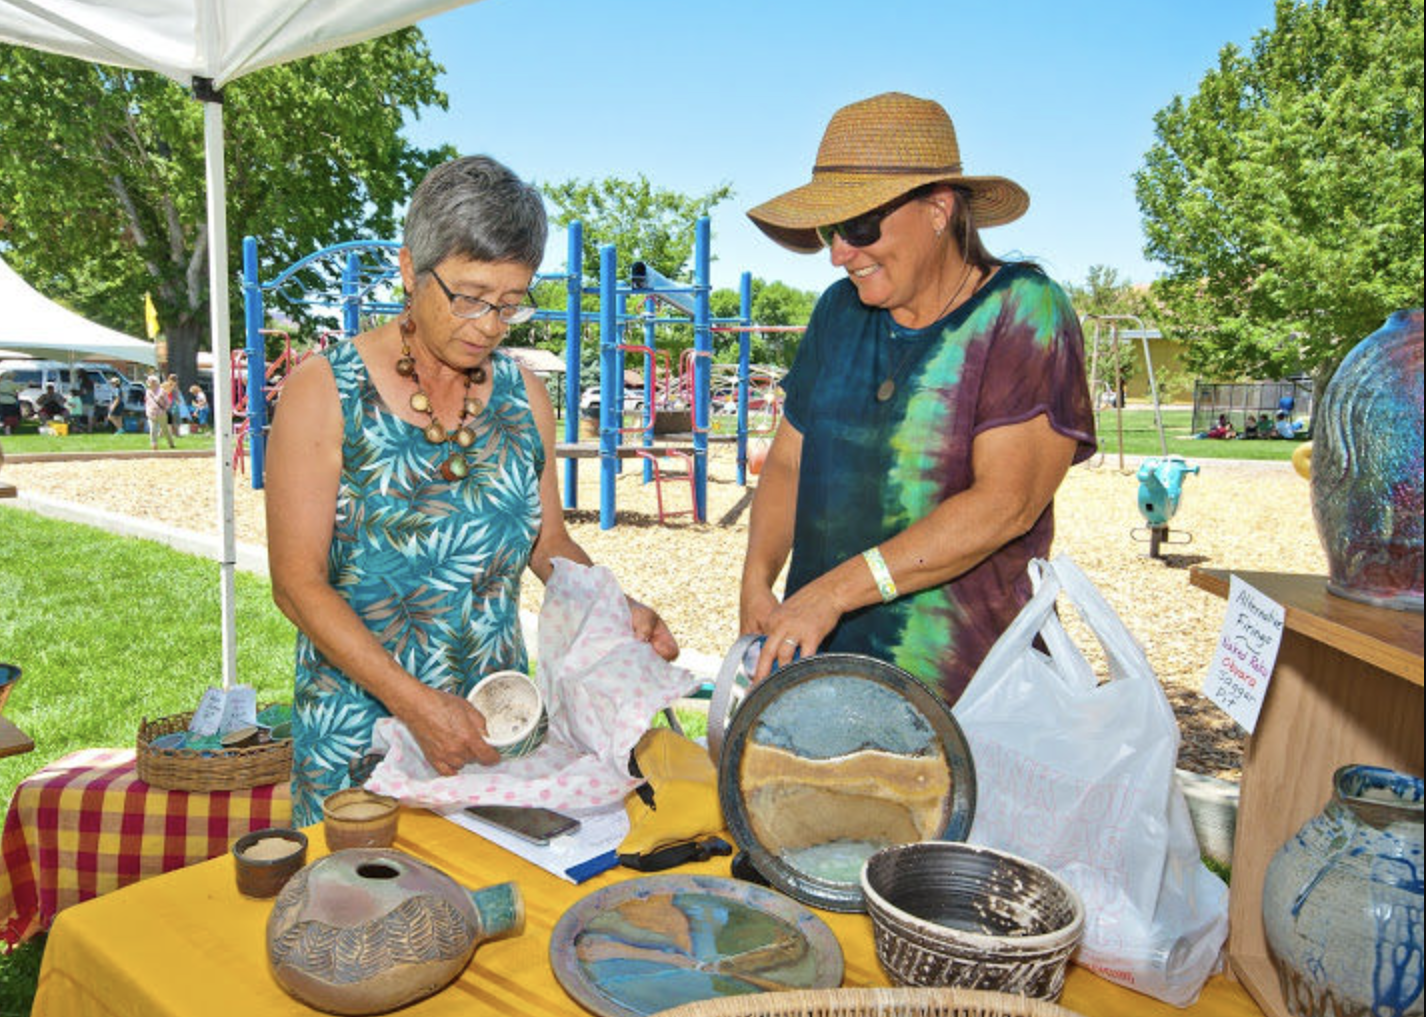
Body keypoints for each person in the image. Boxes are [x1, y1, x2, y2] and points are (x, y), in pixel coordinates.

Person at [265, 155, 679, 826]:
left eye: (510, 303)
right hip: (362, 737)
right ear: (408, 268)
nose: (489, 323)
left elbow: (548, 542)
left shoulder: (525, 396)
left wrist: (611, 602)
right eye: (469, 295)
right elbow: (297, 584)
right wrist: (414, 703)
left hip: (498, 726)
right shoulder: (325, 391)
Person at [737, 92, 1096, 702]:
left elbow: (1005, 504)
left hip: (969, 695)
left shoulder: (1022, 310)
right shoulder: (837, 313)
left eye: (858, 226)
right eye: (831, 229)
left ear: (938, 210)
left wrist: (831, 592)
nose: (837, 254)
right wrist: (755, 580)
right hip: (825, 676)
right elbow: (790, 462)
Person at [145, 374, 175, 449]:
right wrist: (147, 411)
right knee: (152, 430)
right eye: (149, 382)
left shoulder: (162, 391)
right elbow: (147, 402)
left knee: (165, 430)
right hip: (151, 414)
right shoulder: (148, 392)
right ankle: (154, 444)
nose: (150, 383)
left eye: (152, 382)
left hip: (161, 413)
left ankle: (170, 443)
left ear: (156, 382)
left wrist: (165, 409)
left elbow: (168, 402)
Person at [0, 369, 23, 434]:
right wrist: (28, 384)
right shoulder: (10, 383)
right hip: (10, 401)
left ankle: (6, 428)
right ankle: (9, 428)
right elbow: (20, 388)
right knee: (11, 415)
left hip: (2, 401)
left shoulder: (0, 383)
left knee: (4, 416)